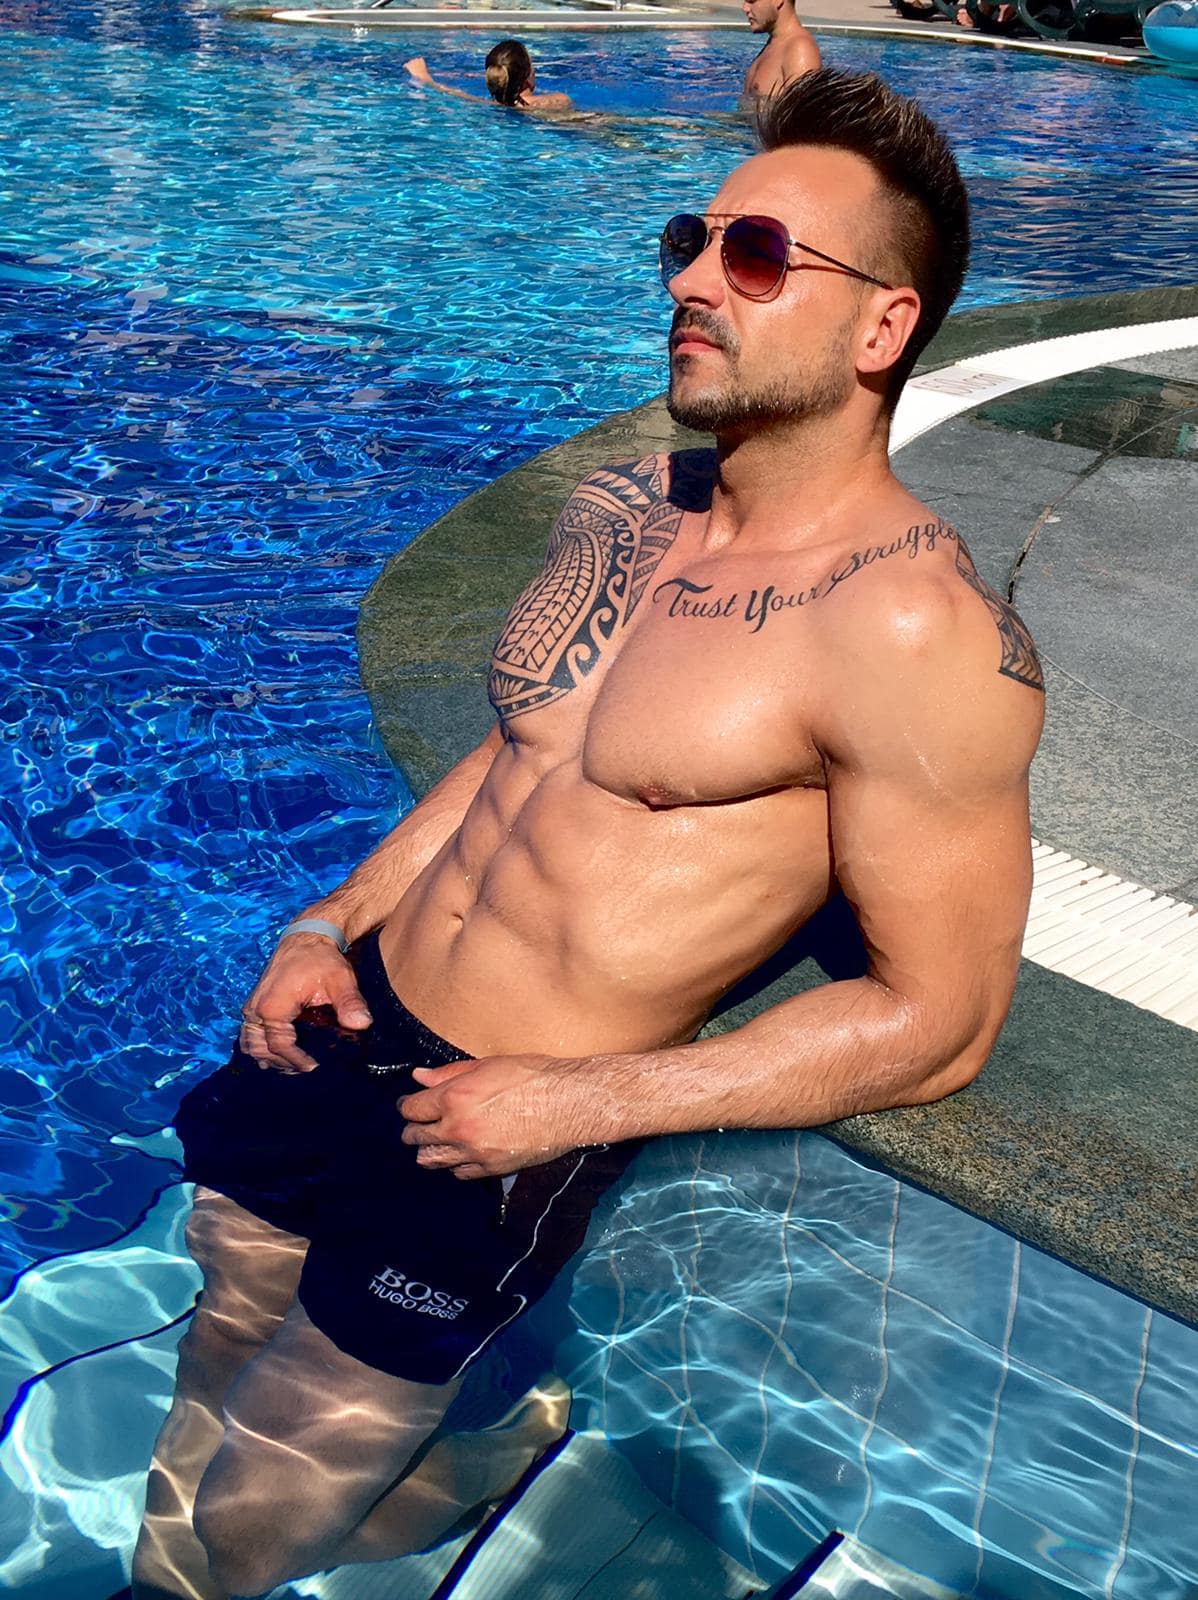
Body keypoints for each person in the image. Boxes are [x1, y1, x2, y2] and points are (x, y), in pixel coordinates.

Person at [133, 67, 1044, 1600]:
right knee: (217, 1333)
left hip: (499, 1120)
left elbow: (939, 1021)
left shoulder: (905, 629)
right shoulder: (624, 506)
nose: (692, 278)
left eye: (758, 256)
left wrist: (579, 1103)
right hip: (352, 1021)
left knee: (229, 1545)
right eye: (694, 239)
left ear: (881, 327)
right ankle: (431, 1469)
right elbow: (515, 756)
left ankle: (475, 1464)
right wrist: (327, 922)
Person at [405, 39, 573, 113]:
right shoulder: (558, 100)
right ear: (528, 74)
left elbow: (455, 93)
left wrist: (426, 79)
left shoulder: (487, 104)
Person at [742, 0, 822, 102]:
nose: (745, 8)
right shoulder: (774, 44)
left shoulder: (800, 49)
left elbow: (803, 109)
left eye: (752, 1)